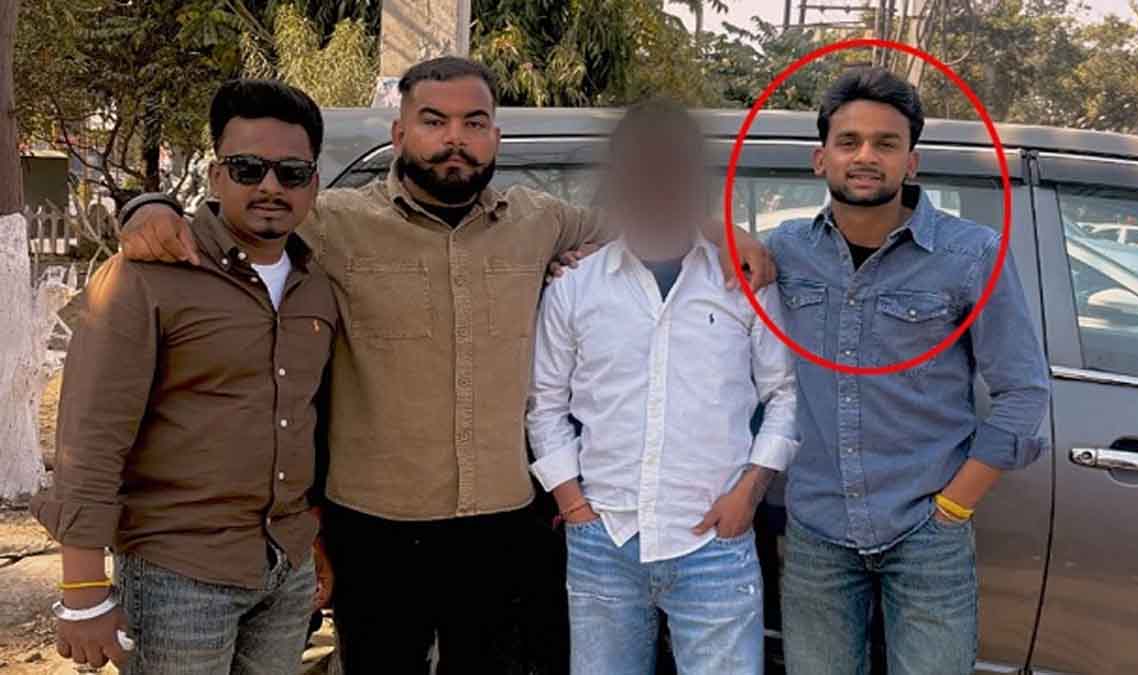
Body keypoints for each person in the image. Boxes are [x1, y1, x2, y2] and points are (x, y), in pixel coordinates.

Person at [115, 57, 776, 674]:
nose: (454, 139)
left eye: (474, 123)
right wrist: (146, 206)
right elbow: (232, 219)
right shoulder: (332, 221)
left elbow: (643, 221)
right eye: (434, 121)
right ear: (400, 133)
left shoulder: (540, 221)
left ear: (495, 137)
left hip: (501, 527)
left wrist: (724, 231)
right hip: (374, 528)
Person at [31, 79, 337, 673]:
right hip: (177, 575)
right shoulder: (147, 275)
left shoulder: (317, 284)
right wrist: (82, 589)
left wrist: (314, 537)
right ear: (216, 176)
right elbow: (90, 436)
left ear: (313, 184)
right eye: (248, 168)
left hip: (286, 569)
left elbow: (311, 420)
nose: (270, 186)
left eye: (291, 172)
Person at [769, 67, 1051, 674]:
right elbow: (672, 239)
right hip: (818, 529)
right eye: (849, 142)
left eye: (886, 143)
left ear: (911, 162)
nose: (865, 157)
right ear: (820, 159)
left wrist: (952, 509)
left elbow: (1023, 393)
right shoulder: (786, 250)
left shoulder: (971, 255)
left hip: (928, 532)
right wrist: (721, 233)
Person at [526, 99, 800, 675]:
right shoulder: (575, 284)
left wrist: (748, 494)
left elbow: (784, 395)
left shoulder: (743, 282)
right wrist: (573, 505)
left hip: (715, 542)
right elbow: (545, 404)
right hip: (604, 539)